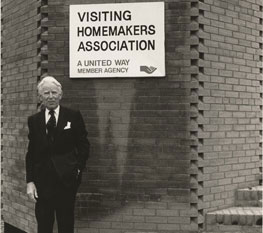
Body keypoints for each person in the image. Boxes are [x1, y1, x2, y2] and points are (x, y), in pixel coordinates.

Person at [25, 76, 89, 233]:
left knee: (66, 224)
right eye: (46, 93)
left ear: (60, 95)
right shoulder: (34, 120)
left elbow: (84, 145)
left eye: (54, 92)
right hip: (42, 182)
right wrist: (30, 181)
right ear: (40, 97)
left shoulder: (73, 116)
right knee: (44, 225)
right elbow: (31, 152)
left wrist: (78, 169)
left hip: (66, 181)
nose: (51, 96)